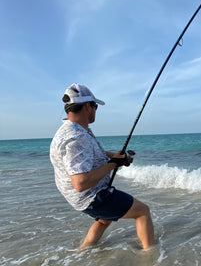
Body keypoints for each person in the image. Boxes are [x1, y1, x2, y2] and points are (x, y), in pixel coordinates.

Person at [50, 83, 154, 251]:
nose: (96, 110)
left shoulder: (73, 129)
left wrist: (113, 156)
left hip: (81, 198)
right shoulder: (75, 137)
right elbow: (81, 183)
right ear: (87, 106)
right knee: (143, 212)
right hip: (91, 197)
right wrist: (113, 164)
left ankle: (83, 250)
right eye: (95, 106)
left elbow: (87, 154)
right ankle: (151, 256)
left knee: (104, 219)